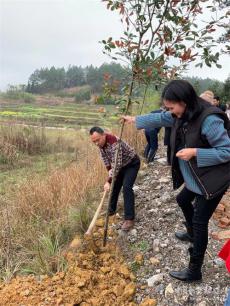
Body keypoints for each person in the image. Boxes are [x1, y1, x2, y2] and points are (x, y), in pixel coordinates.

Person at [122, 80, 230, 282]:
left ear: (184, 101)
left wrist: (195, 152)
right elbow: (163, 118)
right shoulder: (183, 112)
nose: (171, 112)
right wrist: (135, 120)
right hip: (198, 177)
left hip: (213, 180)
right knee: (182, 200)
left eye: (172, 107)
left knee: (200, 222)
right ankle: (191, 234)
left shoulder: (209, 120)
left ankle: (194, 270)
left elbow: (227, 151)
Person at [89, 126, 140, 231]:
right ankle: (111, 210)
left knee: (126, 187)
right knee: (114, 187)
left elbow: (117, 165)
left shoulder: (114, 143)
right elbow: (107, 162)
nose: (96, 143)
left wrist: (108, 181)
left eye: (97, 140)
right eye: (94, 142)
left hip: (131, 164)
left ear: (103, 135)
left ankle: (129, 219)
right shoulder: (101, 145)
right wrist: (109, 174)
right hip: (120, 167)